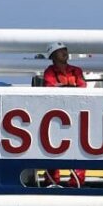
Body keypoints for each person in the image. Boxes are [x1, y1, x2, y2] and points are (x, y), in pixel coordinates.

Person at [42, 42, 86, 187]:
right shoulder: (49, 72)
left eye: (65, 50)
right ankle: (52, 179)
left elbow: (83, 88)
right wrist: (70, 88)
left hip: (76, 114)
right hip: (56, 116)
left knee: (79, 147)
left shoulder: (76, 71)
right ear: (53, 56)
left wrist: (64, 88)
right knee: (54, 146)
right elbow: (50, 89)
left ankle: (77, 180)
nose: (64, 53)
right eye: (60, 51)